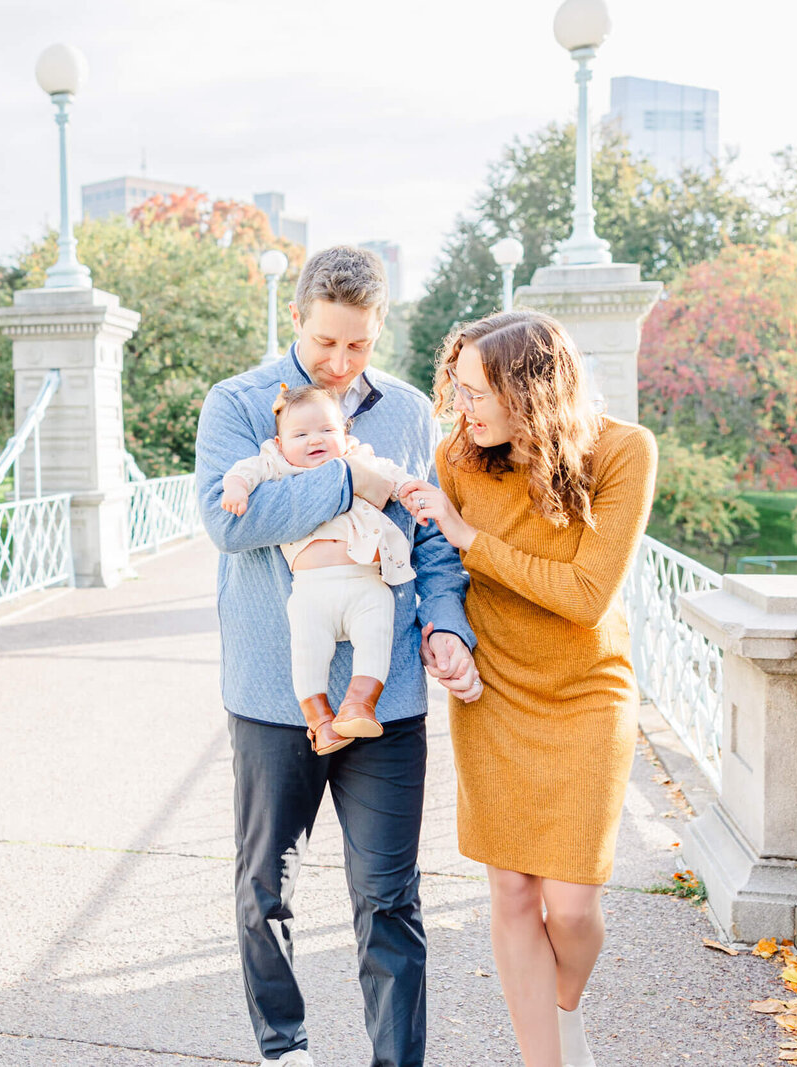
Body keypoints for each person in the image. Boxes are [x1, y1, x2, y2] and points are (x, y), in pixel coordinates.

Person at [196, 244, 482, 1067]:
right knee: (265, 895)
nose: (342, 360)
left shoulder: (405, 412)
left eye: (358, 344)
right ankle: (285, 1048)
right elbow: (230, 523)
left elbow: (428, 530)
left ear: (379, 328)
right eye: (327, 343)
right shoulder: (239, 404)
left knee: (389, 900)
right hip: (272, 695)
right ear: (297, 319)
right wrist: (351, 482)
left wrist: (448, 623)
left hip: (387, 696)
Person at [396, 309, 658, 1067]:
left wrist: (471, 535)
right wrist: (443, 631)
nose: (461, 408)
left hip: (586, 693)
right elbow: (435, 572)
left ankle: (563, 1015)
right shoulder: (459, 456)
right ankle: (546, 1058)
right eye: (457, 389)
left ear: (530, 390)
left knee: (572, 906)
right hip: (495, 692)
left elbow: (584, 594)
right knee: (512, 893)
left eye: (476, 392)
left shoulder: (622, 452)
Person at [219, 383, 416, 749]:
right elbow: (241, 472)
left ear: (345, 434)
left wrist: (415, 493)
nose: (315, 440)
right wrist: (236, 490)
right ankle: (320, 720)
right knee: (308, 651)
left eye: (327, 430)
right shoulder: (275, 464)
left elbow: (398, 478)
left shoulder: (361, 458)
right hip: (311, 591)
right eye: (301, 434)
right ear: (280, 444)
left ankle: (360, 703)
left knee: (377, 636)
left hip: (366, 583)